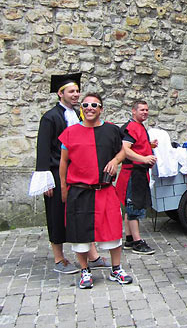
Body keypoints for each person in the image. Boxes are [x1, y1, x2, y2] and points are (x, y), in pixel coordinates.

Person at [29, 73, 109, 274]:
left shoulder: (79, 114)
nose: (76, 95)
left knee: (80, 213)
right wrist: (46, 179)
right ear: (60, 93)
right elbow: (43, 149)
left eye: (77, 91)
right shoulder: (50, 117)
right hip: (56, 173)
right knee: (56, 214)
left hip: (77, 173)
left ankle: (92, 256)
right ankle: (59, 258)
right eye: (71, 91)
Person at [59, 93, 133, 289]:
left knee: (113, 230)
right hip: (80, 191)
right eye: (85, 105)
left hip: (105, 189)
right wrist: (64, 188)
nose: (89, 108)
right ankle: (85, 271)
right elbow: (63, 162)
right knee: (80, 232)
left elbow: (123, 151)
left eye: (94, 105)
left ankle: (116, 269)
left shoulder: (111, 130)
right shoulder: (71, 132)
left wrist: (115, 160)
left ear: (101, 108)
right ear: (81, 108)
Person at [116, 100, 158, 255]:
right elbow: (125, 149)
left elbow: (136, 145)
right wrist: (144, 159)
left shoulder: (138, 126)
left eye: (147, 110)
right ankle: (137, 242)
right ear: (133, 111)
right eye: (142, 110)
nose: (145, 112)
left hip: (137, 173)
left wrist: (149, 146)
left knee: (131, 207)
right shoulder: (131, 127)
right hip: (133, 174)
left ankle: (129, 239)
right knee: (134, 209)